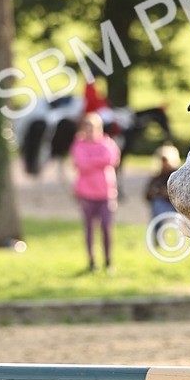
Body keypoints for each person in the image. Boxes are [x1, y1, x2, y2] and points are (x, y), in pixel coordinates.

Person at [69, 112, 121, 272]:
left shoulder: (107, 143)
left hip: (105, 192)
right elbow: (81, 164)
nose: (90, 131)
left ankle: (108, 260)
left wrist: (91, 161)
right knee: (89, 228)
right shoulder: (78, 145)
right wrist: (98, 161)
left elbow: (111, 159)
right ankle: (91, 261)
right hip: (86, 193)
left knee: (106, 227)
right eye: (88, 128)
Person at [144, 144, 182, 219]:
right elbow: (147, 195)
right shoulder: (158, 177)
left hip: (175, 208)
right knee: (157, 203)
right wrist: (156, 192)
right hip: (160, 207)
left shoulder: (178, 176)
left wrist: (169, 194)